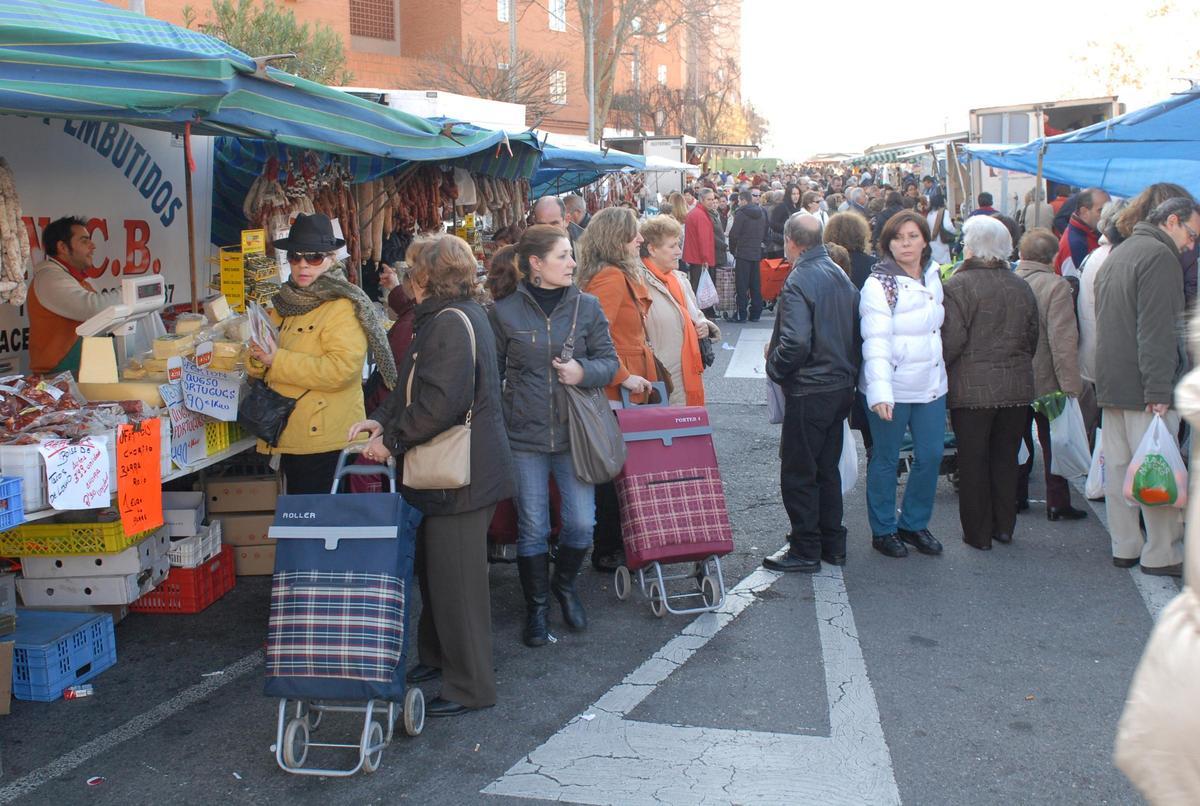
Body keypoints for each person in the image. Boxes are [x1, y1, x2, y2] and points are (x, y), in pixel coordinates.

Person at [350, 233, 514, 717]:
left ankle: (471, 687)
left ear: (424, 277)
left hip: (462, 475)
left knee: (457, 583)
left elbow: (442, 402)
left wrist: (391, 442)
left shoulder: (448, 322)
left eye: (410, 269)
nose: (404, 276)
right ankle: (439, 660)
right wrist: (382, 420)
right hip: (457, 473)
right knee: (440, 574)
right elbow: (415, 390)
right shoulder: (455, 315)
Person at [490, 225, 619, 647]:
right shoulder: (505, 312)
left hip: (574, 434)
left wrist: (584, 372)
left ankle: (564, 585)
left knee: (582, 525)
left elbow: (609, 362)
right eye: (563, 256)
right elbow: (491, 375)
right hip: (523, 435)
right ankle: (538, 607)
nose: (572, 264)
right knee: (532, 527)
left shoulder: (588, 306)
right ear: (536, 264)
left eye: (572, 255)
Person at [245, 213, 397, 496]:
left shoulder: (343, 305)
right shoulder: (282, 301)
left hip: (326, 439)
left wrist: (276, 360)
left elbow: (341, 370)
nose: (303, 264)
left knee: (322, 527)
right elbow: (263, 362)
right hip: (290, 432)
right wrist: (257, 357)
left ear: (330, 259)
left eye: (314, 257)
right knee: (304, 526)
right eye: (295, 256)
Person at [1094, 197, 1198, 577]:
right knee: (1157, 468)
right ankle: (1161, 551)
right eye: (1191, 234)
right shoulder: (1159, 256)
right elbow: (1156, 331)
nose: (1191, 245)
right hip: (1144, 385)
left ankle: (1125, 546)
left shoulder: (1118, 253)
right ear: (1172, 221)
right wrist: (1158, 390)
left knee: (1121, 469)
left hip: (1112, 380)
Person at [762, 214, 860, 573]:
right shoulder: (838, 273)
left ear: (791, 240)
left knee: (800, 471)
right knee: (825, 468)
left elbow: (795, 342)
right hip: (838, 384)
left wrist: (775, 367)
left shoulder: (800, 278)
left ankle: (806, 547)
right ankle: (830, 541)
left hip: (811, 386)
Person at [942, 217, 1039, 551]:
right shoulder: (1020, 285)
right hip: (1016, 386)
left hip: (971, 390)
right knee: (1005, 458)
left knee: (972, 461)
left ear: (970, 246)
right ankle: (1004, 526)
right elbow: (1032, 336)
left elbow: (951, 341)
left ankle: (978, 533)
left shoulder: (957, 286)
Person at [859, 210, 948, 559]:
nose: (905, 243)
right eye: (898, 237)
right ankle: (883, 529)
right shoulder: (879, 284)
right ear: (887, 243)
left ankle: (913, 523)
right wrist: (880, 392)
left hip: (930, 384)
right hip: (891, 388)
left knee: (931, 455)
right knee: (885, 458)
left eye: (912, 236)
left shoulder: (934, 275)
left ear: (925, 239)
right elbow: (875, 341)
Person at [577, 208, 657, 573]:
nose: (640, 239)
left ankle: (612, 544)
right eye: (633, 234)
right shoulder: (609, 277)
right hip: (616, 392)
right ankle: (608, 547)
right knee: (614, 469)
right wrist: (622, 375)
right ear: (616, 239)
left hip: (625, 387)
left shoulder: (611, 273)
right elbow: (593, 336)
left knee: (618, 467)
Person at [1015, 228, 1086, 521]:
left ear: (1021, 253)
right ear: (1053, 255)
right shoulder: (1056, 286)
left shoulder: (1011, 280)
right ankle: (1057, 501)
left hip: (1015, 376)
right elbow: (1062, 340)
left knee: (1017, 440)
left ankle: (1016, 496)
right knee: (1054, 439)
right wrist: (1071, 385)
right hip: (1047, 378)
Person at [640, 215, 720, 405]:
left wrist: (704, 326)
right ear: (652, 249)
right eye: (672, 246)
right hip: (661, 377)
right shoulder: (638, 282)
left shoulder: (678, 279)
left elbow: (695, 315)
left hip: (687, 372)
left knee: (688, 426)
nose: (678, 251)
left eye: (678, 245)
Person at [27, 216, 107, 374]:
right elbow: (94, 308)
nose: (93, 246)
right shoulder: (49, 278)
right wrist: (131, 294)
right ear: (63, 247)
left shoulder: (79, 279)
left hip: (82, 372)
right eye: (84, 241)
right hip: (58, 377)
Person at [727, 189, 769, 322]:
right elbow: (766, 232)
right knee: (755, 285)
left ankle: (742, 314)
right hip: (756, 252)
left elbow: (733, 234)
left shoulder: (741, 213)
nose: (738, 203)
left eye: (739, 200)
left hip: (743, 253)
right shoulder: (762, 212)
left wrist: (733, 250)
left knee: (742, 285)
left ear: (744, 200)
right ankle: (756, 313)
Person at [1054, 187, 1110, 278]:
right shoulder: (1074, 245)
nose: (1107, 215)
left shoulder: (1093, 231)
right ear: (1084, 212)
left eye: (1109, 209)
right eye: (1101, 210)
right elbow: (1073, 287)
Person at [683, 188, 718, 295]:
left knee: (697, 286)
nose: (712, 202)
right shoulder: (700, 215)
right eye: (709, 200)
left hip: (695, 257)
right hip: (699, 258)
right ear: (702, 200)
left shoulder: (696, 212)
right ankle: (701, 311)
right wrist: (705, 259)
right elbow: (704, 240)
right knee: (700, 289)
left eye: (713, 199)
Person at [766, 184, 802, 258]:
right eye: (793, 194)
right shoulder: (782, 207)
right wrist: (788, 227)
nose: (796, 196)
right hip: (782, 244)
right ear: (789, 195)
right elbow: (773, 224)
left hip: (796, 242)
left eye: (798, 194)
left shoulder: (799, 207)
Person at [925, 192, 957, 267]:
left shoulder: (929, 213)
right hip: (942, 242)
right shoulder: (943, 212)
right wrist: (954, 231)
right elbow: (948, 226)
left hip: (932, 243)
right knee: (945, 268)